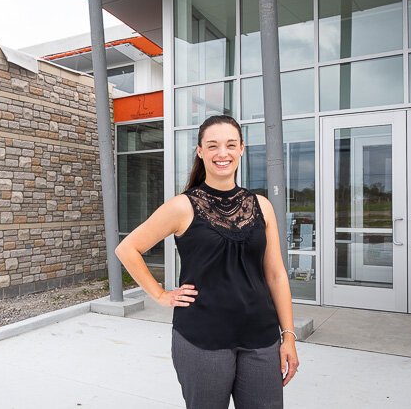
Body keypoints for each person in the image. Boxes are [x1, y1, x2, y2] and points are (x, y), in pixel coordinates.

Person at [115, 114, 299, 409]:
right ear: (200, 151)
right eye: (212, 146)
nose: (221, 153)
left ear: (241, 149)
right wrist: (161, 294)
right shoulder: (182, 206)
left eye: (230, 145)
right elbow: (127, 249)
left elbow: (276, 275)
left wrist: (288, 336)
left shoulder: (262, 206)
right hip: (202, 338)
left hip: (261, 337)